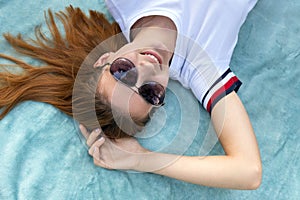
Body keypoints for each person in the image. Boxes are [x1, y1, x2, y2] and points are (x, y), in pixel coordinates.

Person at [0, 1, 262, 190]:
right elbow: (248, 171)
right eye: (150, 93)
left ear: (104, 58)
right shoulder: (203, 68)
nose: (147, 69)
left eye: (123, 72)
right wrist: (141, 160)